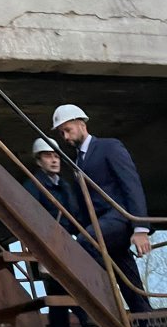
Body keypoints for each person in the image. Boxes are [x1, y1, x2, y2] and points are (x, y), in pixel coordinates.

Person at [52, 104, 152, 313]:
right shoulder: (77, 162)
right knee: (129, 281)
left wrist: (140, 229)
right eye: (62, 133)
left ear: (81, 124)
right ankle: (148, 323)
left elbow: (131, 185)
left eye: (68, 130)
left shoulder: (109, 147)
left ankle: (104, 308)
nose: (65, 137)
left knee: (86, 242)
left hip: (118, 218)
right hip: (102, 227)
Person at [24, 138, 103, 327]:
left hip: (67, 250)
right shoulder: (33, 186)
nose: (54, 160)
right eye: (48, 156)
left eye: (56, 156)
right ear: (38, 161)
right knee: (76, 299)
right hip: (49, 251)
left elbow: (75, 217)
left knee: (59, 306)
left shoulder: (65, 186)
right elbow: (30, 217)